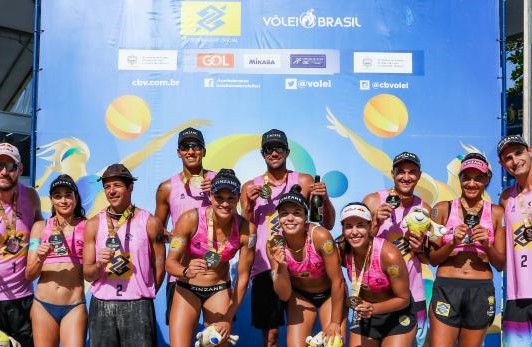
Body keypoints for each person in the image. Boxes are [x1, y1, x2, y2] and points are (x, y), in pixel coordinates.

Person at [240, 129, 335, 347]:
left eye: (279, 148)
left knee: (306, 336)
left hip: (301, 266)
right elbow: (244, 232)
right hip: (266, 266)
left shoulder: (304, 180)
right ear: (262, 154)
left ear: (287, 152)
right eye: (268, 149)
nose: (274, 153)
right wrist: (249, 207)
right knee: (271, 336)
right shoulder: (249, 186)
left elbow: (326, 223)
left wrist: (325, 198)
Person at [165, 169, 255, 346]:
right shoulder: (190, 218)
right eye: (219, 197)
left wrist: (228, 317)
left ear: (238, 199)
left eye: (231, 198)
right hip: (187, 288)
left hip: (219, 289)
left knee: (219, 344)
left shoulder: (247, 230)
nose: (225, 203)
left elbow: (243, 276)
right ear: (211, 197)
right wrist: (186, 270)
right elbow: (170, 263)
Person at [83, 163, 165, 347]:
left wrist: (143, 292)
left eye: (117, 185)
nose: (111, 191)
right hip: (102, 305)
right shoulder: (94, 224)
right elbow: (87, 274)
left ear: (130, 187)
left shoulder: (150, 222)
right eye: (107, 186)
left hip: (138, 306)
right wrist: (98, 266)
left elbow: (160, 265)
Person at [428, 153, 505, 347]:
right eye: (467, 178)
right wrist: (452, 243)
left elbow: (501, 264)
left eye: (478, 178)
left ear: (486, 179)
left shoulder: (497, 213)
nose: (472, 183)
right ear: (459, 179)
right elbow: (433, 259)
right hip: (447, 288)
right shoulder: (442, 209)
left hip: (480, 290)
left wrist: (487, 245)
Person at [362, 151, 430, 346]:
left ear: (419, 175)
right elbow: (355, 250)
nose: (406, 177)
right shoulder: (373, 201)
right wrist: (374, 224)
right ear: (392, 173)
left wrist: (420, 250)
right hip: (375, 295)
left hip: (412, 295)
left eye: (412, 172)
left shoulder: (424, 207)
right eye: (401, 172)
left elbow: (428, 259)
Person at [267, 185, 345, 347]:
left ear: (305, 217)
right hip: (300, 296)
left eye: (297, 213)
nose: (290, 218)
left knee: (334, 344)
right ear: (278, 219)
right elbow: (284, 295)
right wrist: (281, 267)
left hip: (329, 294)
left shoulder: (320, 236)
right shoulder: (274, 244)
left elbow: (337, 281)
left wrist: (335, 322)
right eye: (284, 214)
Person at [154, 127, 216, 324]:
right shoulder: (167, 187)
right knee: (180, 339)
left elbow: (234, 223)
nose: (191, 151)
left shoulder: (219, 182)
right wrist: (175, 237)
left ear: (204, 151)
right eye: (185, 147)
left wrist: (215, 195)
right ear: (178, 152)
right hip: (180, 273)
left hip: (214, 273)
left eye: (196, 146)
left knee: (214, 339)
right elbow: (157, 232)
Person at [338, 202, 416, 347]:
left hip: (396, 314)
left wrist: (373, 309)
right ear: (343, 229)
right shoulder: (343, 250)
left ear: (369, 227)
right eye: (349, 226)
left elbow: (403, 299)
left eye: (360, 225)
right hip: (364, 313)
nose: (354, 232)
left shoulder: (388, 255)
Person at [26, 174, 87, 347]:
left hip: (74, 306)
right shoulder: (40, 227)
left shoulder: (88, 226)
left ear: (76, 198)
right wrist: (40, 258)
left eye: (68, 194)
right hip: (43, 306)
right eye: (58, 195)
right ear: (52, 200)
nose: (63, 200)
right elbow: (29, 274)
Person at [0, 142, 43, 347]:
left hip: (24, 297)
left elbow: (42, 228)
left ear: (20, 169)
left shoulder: (32, 197)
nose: (3, 172)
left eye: (10, 166)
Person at [497, 134, 532, 346]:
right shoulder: (505, 197)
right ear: (502, 164)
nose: (514, 160)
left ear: (529, 151)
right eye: (507, 158)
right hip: (517, 294)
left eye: (518, 153)